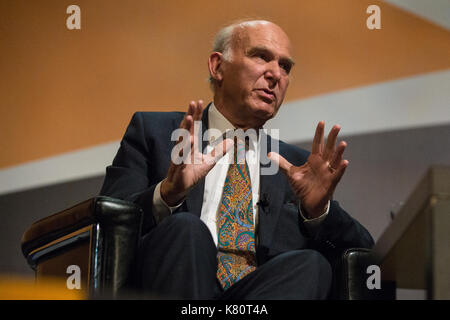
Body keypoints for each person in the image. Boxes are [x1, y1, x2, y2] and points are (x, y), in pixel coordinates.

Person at [100, 20, 374, 299]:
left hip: (256, 299)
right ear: (217, 66)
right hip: (179, 286)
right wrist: (166, 195)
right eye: (261, 56)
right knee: (187, 229)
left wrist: (318, 214)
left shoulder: (297, 167)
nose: (275, 74)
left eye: (285, 66)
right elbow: (108, 223)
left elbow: (367, 254)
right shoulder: (156, 133)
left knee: (312, 266)